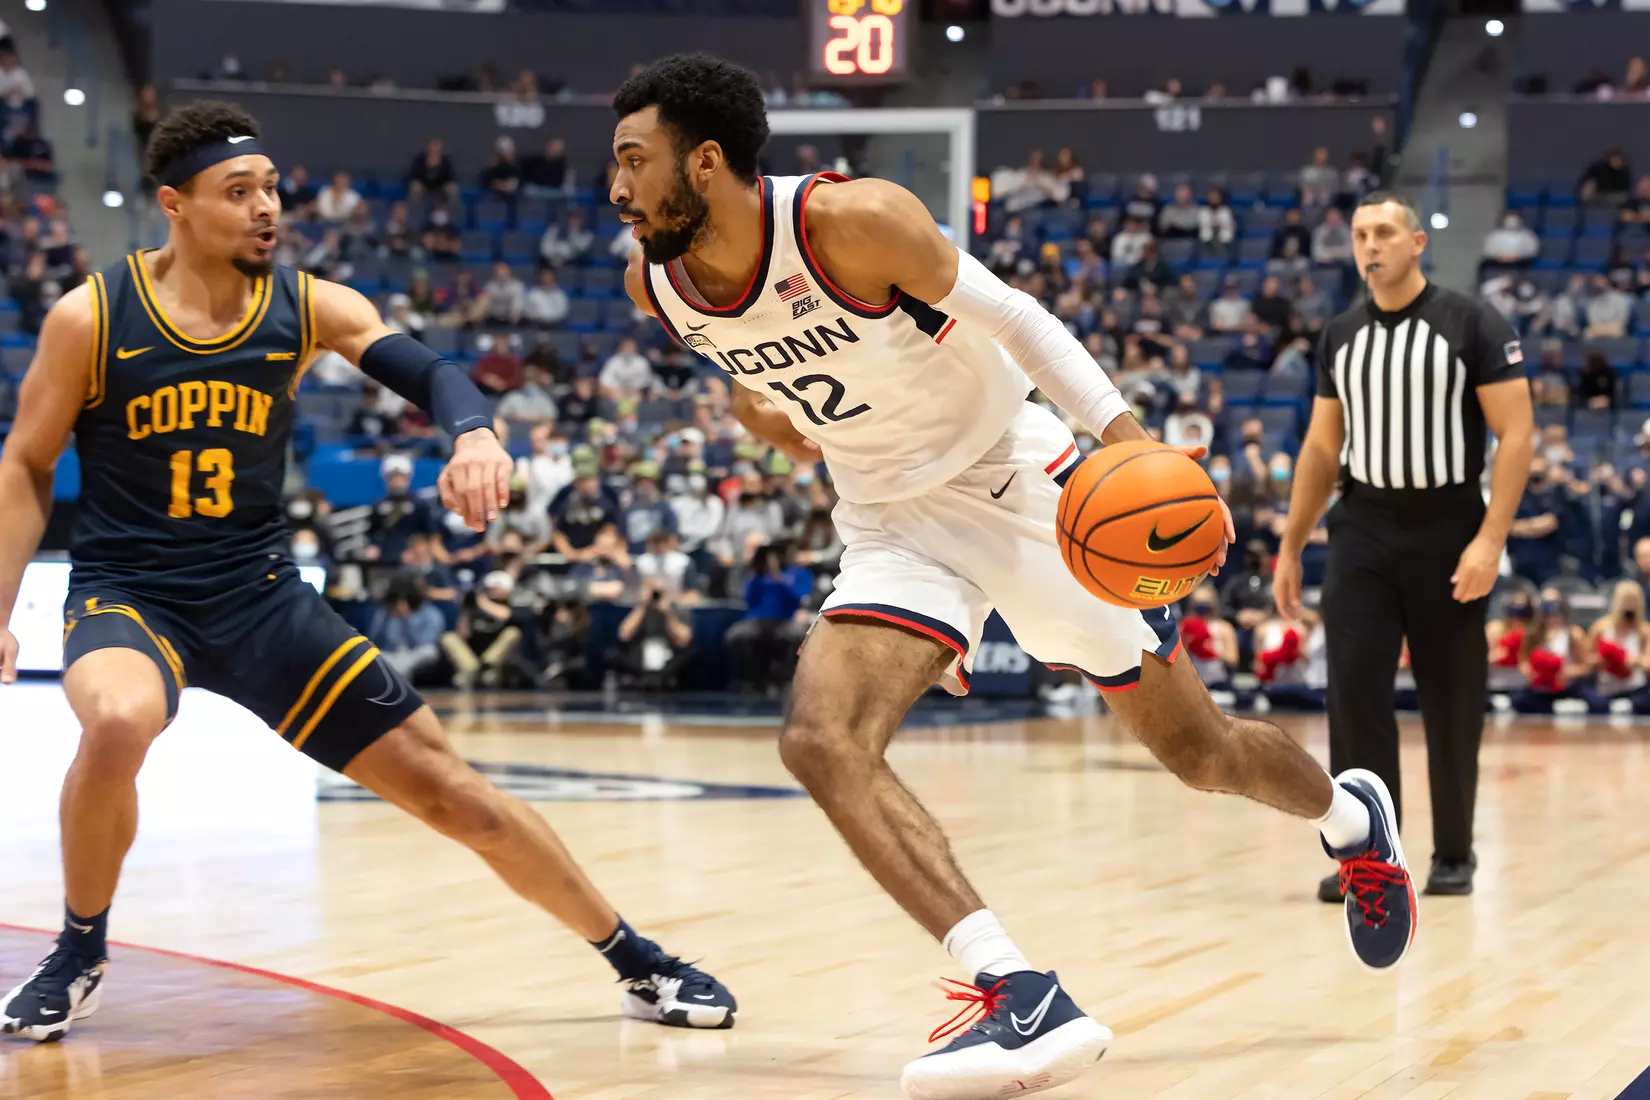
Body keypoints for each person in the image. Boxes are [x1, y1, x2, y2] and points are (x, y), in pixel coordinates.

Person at [613, 55, 1414, 1098]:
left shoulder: (851, 221)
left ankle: (1351, 819)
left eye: (635, 160)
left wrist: (1124, 441)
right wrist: (778, 422)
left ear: (705, 160)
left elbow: (1024, 322)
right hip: (894, 525)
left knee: (1201, 754)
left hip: (1020, 485)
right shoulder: (656, 284)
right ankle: (1014, 988)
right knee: (820, 736)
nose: (618, 188)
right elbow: (782, 391)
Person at [0, 100, 733, 1043]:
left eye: (271, 187)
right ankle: (79, 947)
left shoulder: (306, 306)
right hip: (130, 593)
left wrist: (473, 432)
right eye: (239, 192)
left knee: (455, 793)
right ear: (173, 205)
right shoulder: (91, 316)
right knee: (117, 717)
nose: (268, 207)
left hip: (260, 599)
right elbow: (23, 464)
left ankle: (639, 961)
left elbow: (433, 371)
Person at [1274, 193, 1535, 903]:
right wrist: (1292, 545)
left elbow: (1517, 433)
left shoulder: (1472, 322)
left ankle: (1455, 851)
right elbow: (1323, 446)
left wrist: (1490, 539)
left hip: (1451, 527)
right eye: (1360, 234)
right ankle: (1367, 857)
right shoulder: (1341, 334)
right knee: (1353, 693)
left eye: (1384, 232)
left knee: (1452, 697)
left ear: (1417, 241)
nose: (1370, 245)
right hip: (1364, 526)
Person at [1583, 580, 1650, 713]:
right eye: (1627, 601)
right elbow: (1586, 660)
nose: (1630, 606)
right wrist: (1601, 660)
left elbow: (1647, 662)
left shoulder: (1644, 630)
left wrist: (1635, 660)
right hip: (1606, 686)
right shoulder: (1600, 627)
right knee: (1597, 704)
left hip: (1634, 686)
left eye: (1633, 601)